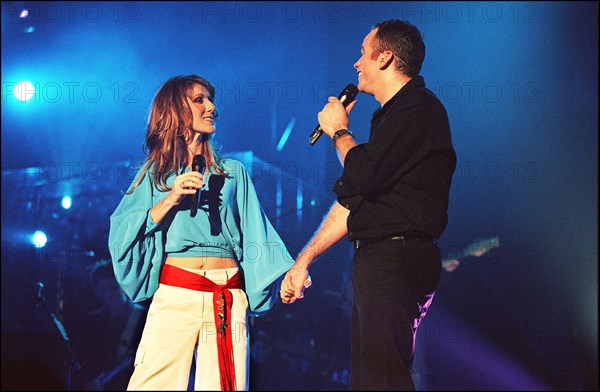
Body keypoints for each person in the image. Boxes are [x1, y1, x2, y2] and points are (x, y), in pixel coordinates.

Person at [281, 20, 457, 390]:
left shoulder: (418, 109)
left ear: (386, 57)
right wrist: (305, 260)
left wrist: (340, 132)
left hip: (398, 258)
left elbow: (364, 174)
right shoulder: (391, 118)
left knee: (384, 380)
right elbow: (353, 199)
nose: (357, 63)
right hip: (378, 260)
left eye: (363, 52)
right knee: (369, 381)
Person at [108, 74, 293, 390]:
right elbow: (122, 232)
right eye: (199, 100)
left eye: (211, 100)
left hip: (226, 298)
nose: (211, 108)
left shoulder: (233, 172)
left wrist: (286, 277)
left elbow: (256, 235)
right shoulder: (156, 172)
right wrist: (171, 199)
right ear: (176, 111)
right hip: (177, 292)